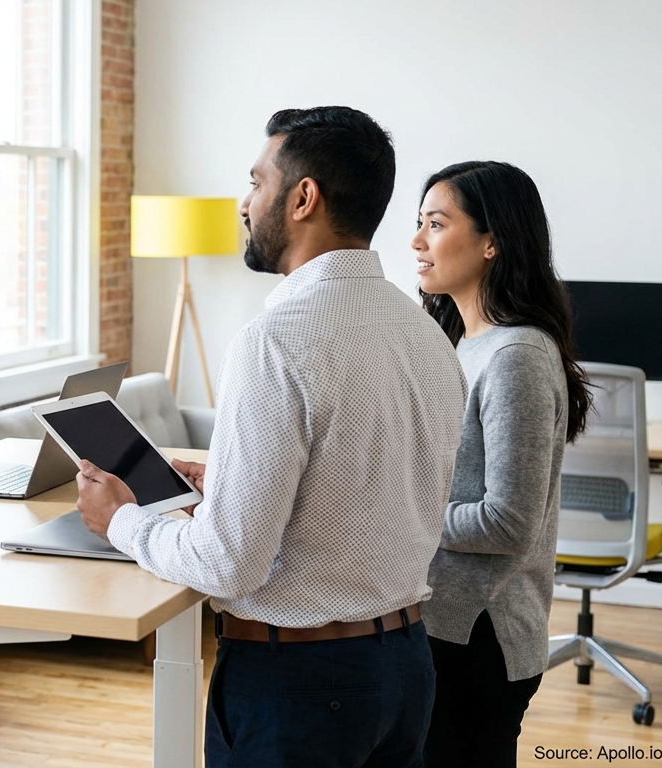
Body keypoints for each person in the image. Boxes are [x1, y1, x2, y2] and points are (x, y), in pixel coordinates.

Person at [75, 107, 467, 767]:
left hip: (300, 685)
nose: (244, 203)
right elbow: (372, 494)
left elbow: (230, 564)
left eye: (256, 182)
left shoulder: (276, 341)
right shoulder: (426, 334)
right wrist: (230, 487)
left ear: (303, 197)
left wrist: (121, 519)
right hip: (405, 670)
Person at [413, 161, 591, 768]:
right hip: (443, 625)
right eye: (419, 224)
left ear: (493, 242)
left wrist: (402, 515)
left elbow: (509, 522)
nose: (417, 242)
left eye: (435, 224)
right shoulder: (465, 344)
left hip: (480, 639)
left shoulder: (516, 355)